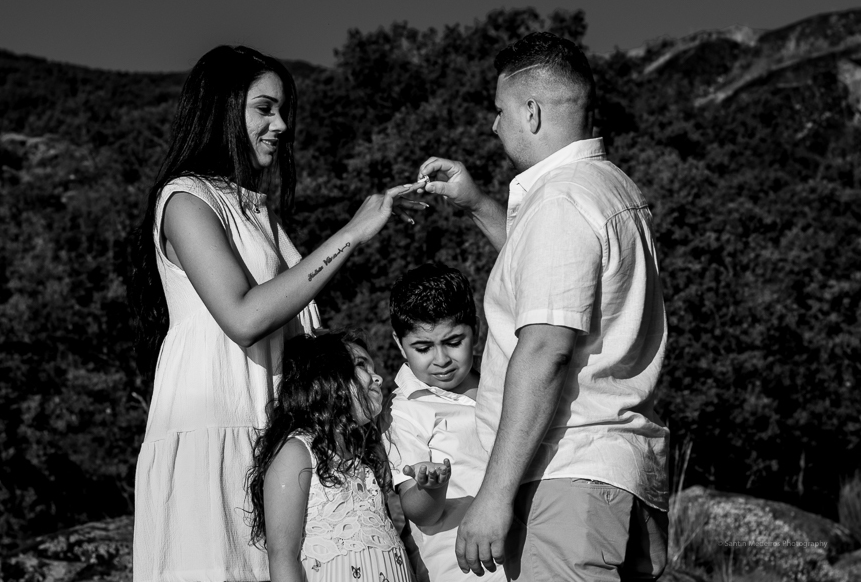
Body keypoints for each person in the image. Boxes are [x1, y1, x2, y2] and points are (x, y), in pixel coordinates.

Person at [129, 45, 423, 582]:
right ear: (222, 108)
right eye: (264, 108)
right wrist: (354, 232)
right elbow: (242, 317)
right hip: (214, 427)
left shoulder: (259, 213)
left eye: (283, 110)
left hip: (274, 436)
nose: (281, 124)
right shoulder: (185, 201)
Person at [418, 32, 670, 581]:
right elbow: (553, 289)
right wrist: (480, 205)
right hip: (617, 471)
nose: (494, 126)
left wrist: (493, 495)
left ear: (530, 111)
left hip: (567, 475)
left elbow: (547, 349)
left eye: (499, 111)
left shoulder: (559, 202)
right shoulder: (612, 190)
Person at [247, 332, 414, 582]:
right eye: (361, 365)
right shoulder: (297, 452)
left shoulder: (365, 459)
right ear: (325, 377)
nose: (377, 377)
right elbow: (282, 555)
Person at [385, 262, 505, 582]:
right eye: (423, 347)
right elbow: (418, 510)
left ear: (476, 332)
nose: (441, 360)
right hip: (469, 571)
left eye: (453, 342)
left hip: (535, 554)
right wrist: (430, 488)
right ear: (400, 345)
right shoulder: (405, 412)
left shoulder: (506, 383)